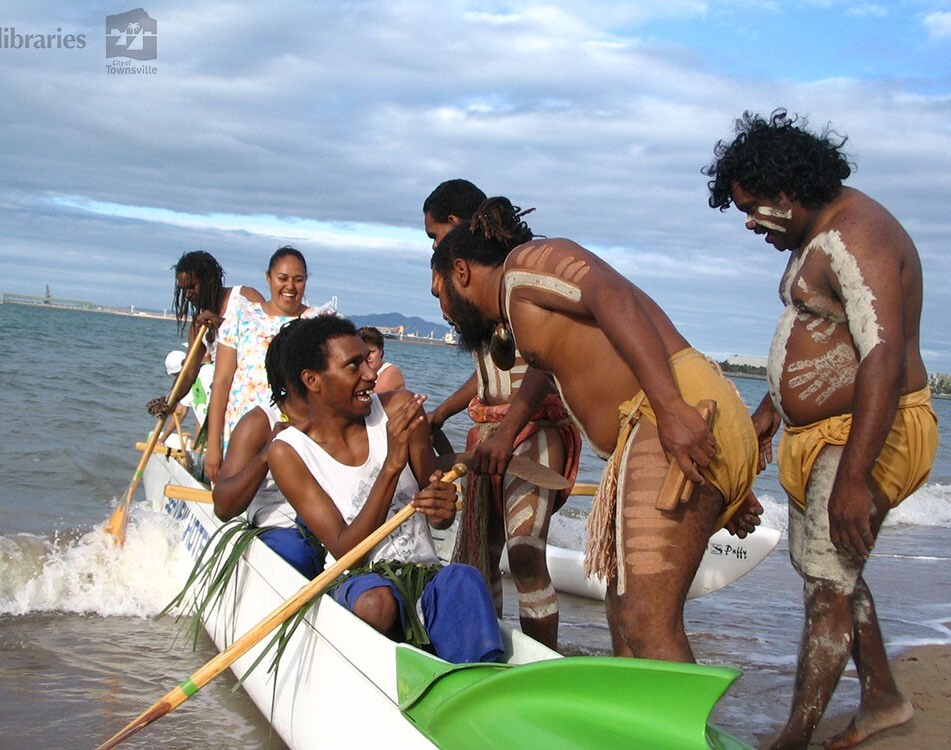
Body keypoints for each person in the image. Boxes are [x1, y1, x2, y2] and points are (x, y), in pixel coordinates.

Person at [431, 197, 762, 664]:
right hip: (672, 425)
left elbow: (612, 298)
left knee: (645, 621)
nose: (443, 308)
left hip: (672, 414)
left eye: (438, 292)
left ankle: (683, 737)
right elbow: (553, 369)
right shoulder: (521, 311)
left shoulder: (526, 267)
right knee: (624, 613)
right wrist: (506, 434)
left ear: (461, 272)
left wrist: (669, 408)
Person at [704, 110, 938, 750]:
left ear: (788, 191)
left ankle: (794, 737)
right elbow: (823, 341)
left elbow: (882, 356)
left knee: (828, 583)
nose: (751, 222)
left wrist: (855, 477)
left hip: (873, 428)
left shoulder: (857, 235)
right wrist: (766, 416)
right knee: (828, 571)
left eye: (755, 208)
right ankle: (883, 699)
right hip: (827, 435)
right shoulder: (817, 238)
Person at [265, 315, 504, 664]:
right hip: (358, 583)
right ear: (313, 380)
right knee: (378, 603)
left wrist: (442, 508)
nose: (370, 374)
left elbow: (436, 513)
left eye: (368, 359)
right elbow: (349, 552)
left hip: (423, 574)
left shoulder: (398, 408)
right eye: (353, 366)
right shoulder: (289, 451)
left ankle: (478, 681)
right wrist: (392, 465)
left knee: (465, 579)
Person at [423, 179, 582, 649]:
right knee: (481, 554)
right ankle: (484, 650)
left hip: (533, 429)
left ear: (455, 226)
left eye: (434, 235)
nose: (433, 246)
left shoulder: (515, 278)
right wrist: (441, 415)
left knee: (526, 552)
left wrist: (506, 430)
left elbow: (544, 364)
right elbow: (490, 370)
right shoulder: (476, 288)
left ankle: (542, 662)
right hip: (488, 434)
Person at [205, 246, 332, 481]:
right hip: (242, 433)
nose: (290, 287)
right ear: (268, 278)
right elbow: (221, 382)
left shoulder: (321, 322)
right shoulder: (242, 317)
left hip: (301, 434)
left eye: (298, 279)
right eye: (282, 278)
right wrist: (213, 445)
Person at [209, 326, 323, 579]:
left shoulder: (337, 418)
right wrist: (267, 454)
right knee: (300, 557)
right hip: (281, 534)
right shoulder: (259, 423)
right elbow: (223, 507)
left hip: (333, 532)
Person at [146, 250, 263, 418]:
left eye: (192, 286)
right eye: (183, 290)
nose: (187, 295)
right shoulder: (198, 327)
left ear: (209, 279)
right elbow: (189, 372)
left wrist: (222, 325)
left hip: (257, 394)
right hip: (227, 402)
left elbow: (269, 336)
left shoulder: (245, 297)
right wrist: (170, 400)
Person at [356, 326, 405, 392]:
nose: (368, 356)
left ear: (381, 352)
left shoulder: (391, 372)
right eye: (363, 352)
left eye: (371, 352)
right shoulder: (357, 371)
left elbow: (375, 400)